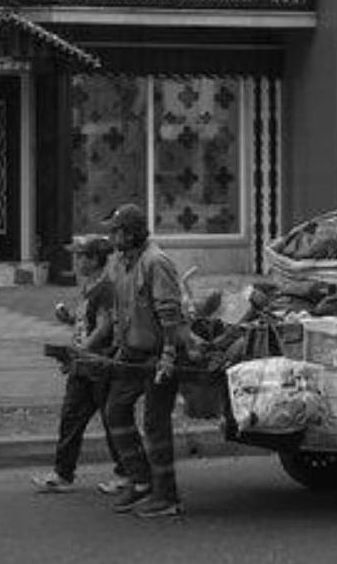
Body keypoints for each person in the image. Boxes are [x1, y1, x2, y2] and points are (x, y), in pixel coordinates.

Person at [100, 203, 187, 519]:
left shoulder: (156, 262)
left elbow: (170, 314)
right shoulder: (121, 262)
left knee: (154, 423)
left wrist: (168, 357)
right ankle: (140, 481)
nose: (112, 237)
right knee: (116, 411)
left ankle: (167, 495)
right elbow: (119, 310)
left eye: (117, 231)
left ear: (133, 233)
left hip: (158, 356)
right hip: (132, 355)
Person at [31, 234, 127, 494]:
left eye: (80, 256)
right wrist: (70, 319)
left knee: (113, 421)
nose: (75, 260)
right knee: (71, 418)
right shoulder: (90, 287)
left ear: (94, 259)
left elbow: (106, 325)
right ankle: (63, 474)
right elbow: (90, 322)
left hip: (98, 364)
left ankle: (127, 473)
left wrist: (82, 349)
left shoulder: (105, 288)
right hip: (84, 365)